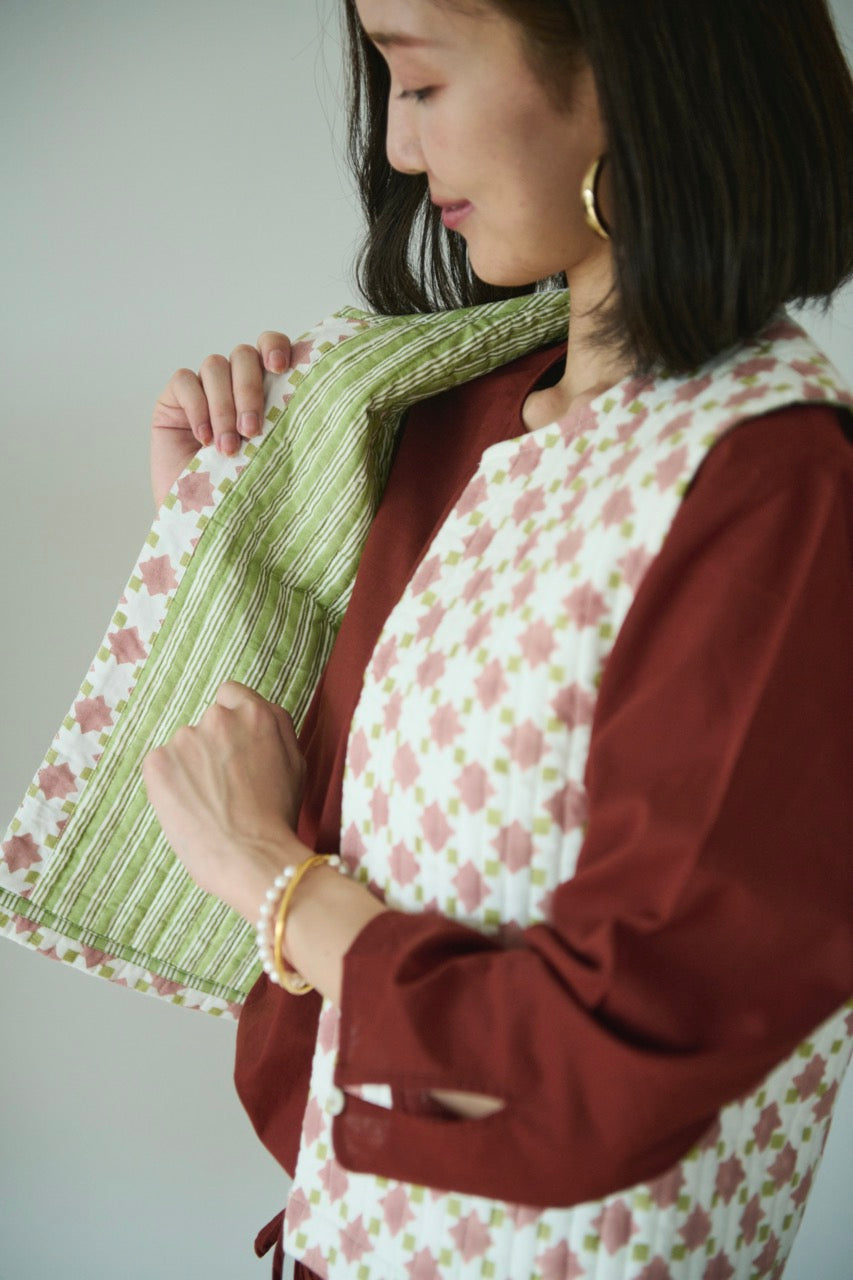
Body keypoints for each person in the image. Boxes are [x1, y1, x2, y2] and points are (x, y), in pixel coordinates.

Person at [141, 1, 853, 1277]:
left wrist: (269, 875)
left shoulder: (780, 497)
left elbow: (609, 1065)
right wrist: (218, 541)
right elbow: (367, 817)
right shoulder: (455, 423)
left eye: (419, 82)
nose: (404, 153)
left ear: (629, 77)